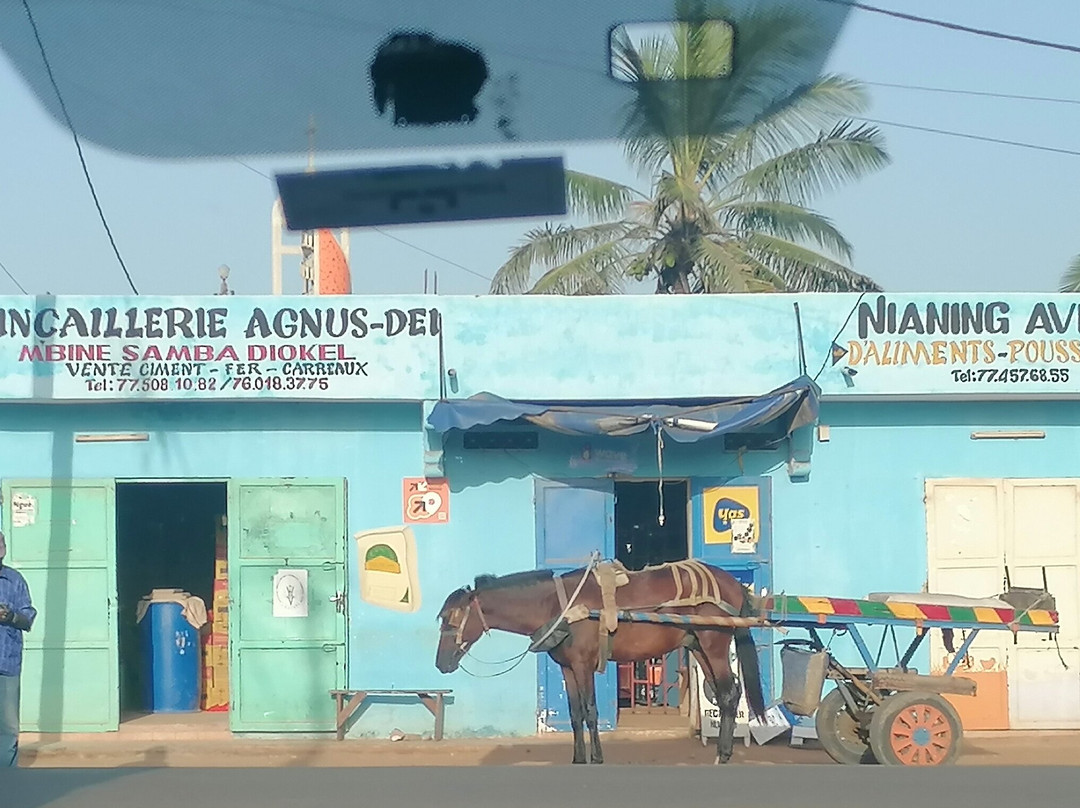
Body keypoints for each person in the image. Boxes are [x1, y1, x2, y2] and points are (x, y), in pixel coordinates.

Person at [0, 529, 36, 767]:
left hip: (7, 663)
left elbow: (28, 617)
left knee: (8, 726)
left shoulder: (15, 580)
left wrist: (10, 616)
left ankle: (8, 780)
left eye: (1, 543)